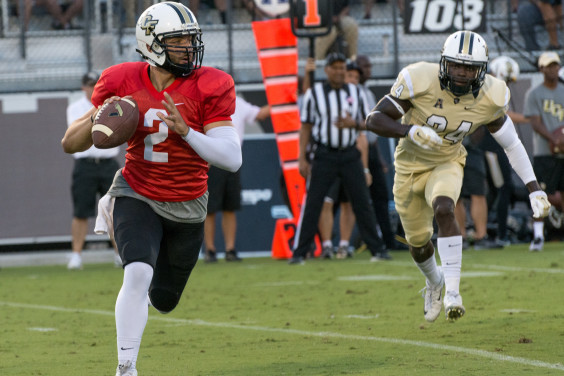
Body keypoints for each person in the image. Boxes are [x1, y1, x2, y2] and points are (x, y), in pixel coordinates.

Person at [60, 3, 242, 375]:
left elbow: (231, 158)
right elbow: (70, 143)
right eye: (178, 41)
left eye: (191, 40)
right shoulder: (119, 80)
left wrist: (187, 132)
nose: (188, 48)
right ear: (152, 43)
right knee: (138, 273)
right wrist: (99, 115)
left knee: (163, 299)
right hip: (136, 190)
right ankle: (126, 366)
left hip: (189, 202)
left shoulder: (212, 84)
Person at [364, 30, 550, 322]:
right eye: (456, 65)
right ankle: (435, 282)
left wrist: (534, 189)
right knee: (418, 244)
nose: (462, 74)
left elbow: (512, 144)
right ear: (443, 62)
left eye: (470, 67)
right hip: (408, 167)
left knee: (445, 208)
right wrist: (409, 130)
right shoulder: (421, 79)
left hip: (447, 161)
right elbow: (373, 119)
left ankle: (453, 292)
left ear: (482, 69)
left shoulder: (491, 94)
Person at [288, 52, 387, 265]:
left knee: (362, 201)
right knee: (314, 202)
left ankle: (377, 248)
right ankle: (300, 252)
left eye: (343, 67)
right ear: (327, 70)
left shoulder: (356, 92)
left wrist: (354, 124)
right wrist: (302, 157)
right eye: (335, 67)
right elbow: (305, 126)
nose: (340, 71)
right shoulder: (314, 94)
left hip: (350, 153)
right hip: (324, 154)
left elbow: (367, 123)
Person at [66, 72, 122, 270]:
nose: (93, 88)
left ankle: (119, 254)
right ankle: (76, 256)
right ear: (83, 87)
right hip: (85, 164)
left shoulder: (113, 104)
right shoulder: (75, 108)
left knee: (114, 211)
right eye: (90, 85)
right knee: (81, 212)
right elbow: (88, 134)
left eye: (97, 84)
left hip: (108, 164)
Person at [203, 95, 269, 262]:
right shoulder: (205, 103)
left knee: (230, 207)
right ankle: (210, 249)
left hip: (232, 160)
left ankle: (230, 249)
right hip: (213, 159)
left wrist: (281, 100)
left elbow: (260, 114)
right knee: (209, 209)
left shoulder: (236, 102)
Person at [317, 61, 372, 260]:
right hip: (328, 156)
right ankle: (326, 245)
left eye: (356, 78)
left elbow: (363, 137)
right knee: (326, 201)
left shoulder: (358, 98)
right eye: (350, 76)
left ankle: (343, 244)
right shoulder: (322, 95)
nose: (352, 81)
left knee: (350, 203)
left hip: (351, 157)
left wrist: (365, 169)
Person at [523, 51, 564, 251]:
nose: (553, 69)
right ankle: (538, 236)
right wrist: (554, 138)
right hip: (544, 152)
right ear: (541, 69)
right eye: (548, 66)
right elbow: (535, 122)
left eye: (555, 65)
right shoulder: (534, 93)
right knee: (541, 194)